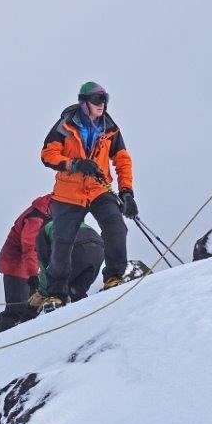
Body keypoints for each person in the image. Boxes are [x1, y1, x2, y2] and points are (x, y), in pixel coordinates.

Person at [38, 81, 136, 312]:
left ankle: (113, 277)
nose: (102, 104)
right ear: (84, 102)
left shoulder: (109, 128)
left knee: (116, 227)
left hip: (99, 189)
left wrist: (127, 192)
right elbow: (47, 154)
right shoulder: (65, 125)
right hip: (68, 194)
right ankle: (56, 294)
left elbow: (122, 160)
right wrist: (75, 164)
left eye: (105, 99)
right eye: (96, 100)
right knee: (62, 241)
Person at [0, 193, 52, 332]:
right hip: (15, 265)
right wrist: (33, 275)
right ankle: (1, 342)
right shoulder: (37, 218)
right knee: (16, 309)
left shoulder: (49, 212)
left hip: (30, 265)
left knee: (31, 306)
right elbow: (29, 247)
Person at [35, 217, 104, 306]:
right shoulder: (69, 221)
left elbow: (44, 267)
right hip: (98, 250)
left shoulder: (41, 234)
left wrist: (42, 293)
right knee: (76, 292)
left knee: (56, 288)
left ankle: (55, 304)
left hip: (75, 247)